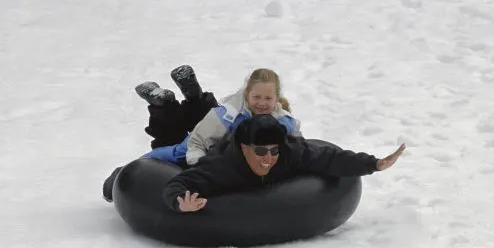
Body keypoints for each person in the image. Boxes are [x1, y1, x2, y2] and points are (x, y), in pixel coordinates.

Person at [163, 114, 406, 213]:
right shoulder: (223, 165)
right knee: (176, 148)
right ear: (245, 149)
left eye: (273, 151)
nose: (268, 158)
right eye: (260, 151)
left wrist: (374, 164)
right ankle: (170, 111)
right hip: (213, 145)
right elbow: (181, 181)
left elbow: (330, 158)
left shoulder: (291, 152)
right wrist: (179, 204)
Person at [141, 67, 302, 166]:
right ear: (247, 95)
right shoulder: (228, 115)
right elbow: (195, 142)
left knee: (203, 116)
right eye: (256, 97)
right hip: (206, 142)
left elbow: (299, 142)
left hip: (215, 133)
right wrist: (200, 167)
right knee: (177, 151)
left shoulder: (283, 119)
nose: (262, 103)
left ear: (276, 99)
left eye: (267, 98)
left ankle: (192, 94)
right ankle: (165, 105)